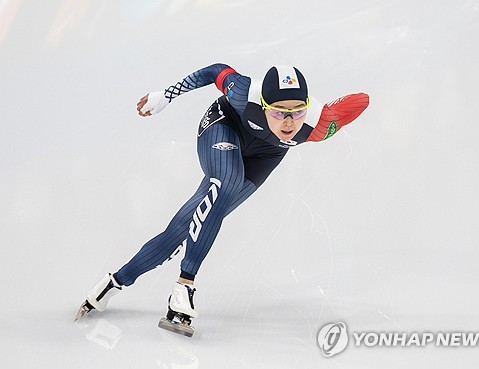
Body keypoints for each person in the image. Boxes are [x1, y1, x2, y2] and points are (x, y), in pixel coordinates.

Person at [75, 63, 369, 336]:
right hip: (224, 125)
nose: (289, 122)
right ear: (264, 105)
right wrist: (165, 95)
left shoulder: (318, 124)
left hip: (266, 155)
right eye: (279, 112)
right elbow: (215, 71)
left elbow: (360, 100)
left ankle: (113, 283)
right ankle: (184, 286)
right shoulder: (243, 93)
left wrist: (331, 112)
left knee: (184, 228)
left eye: (297, 111)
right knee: (226, 182)